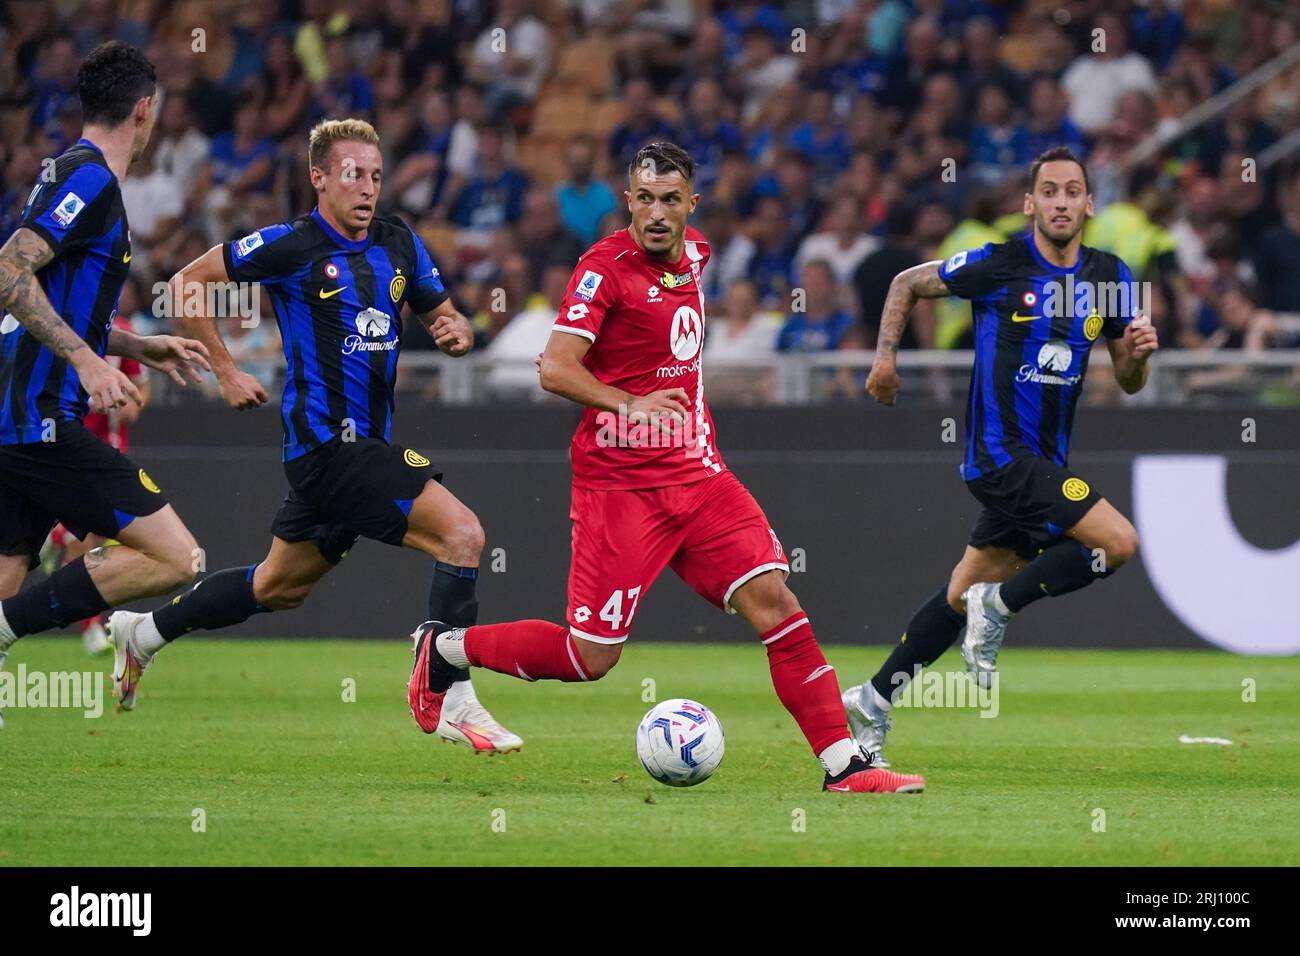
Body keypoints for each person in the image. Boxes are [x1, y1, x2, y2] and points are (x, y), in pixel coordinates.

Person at [408, 142, 925, 794]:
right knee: (588, 657)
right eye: (644, 198)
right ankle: (446, 649)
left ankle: (844, 767)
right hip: (619, 488)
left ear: (691, 205)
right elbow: (555, 366)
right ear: (629, 199)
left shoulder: (699, 255)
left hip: (700, 476)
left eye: (670, 200)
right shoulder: (604, 269)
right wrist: (630, 403)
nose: (656, 212)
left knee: (777, 604)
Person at [106, 119, 521, 754]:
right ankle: (449, 692)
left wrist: (453, 330)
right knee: (463, 534)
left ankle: (145, 633)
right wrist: (225, 368)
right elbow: (188, 283)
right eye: (354, 174)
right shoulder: (291, 246)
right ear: (319, 177)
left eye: (377, 176)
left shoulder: (399, 242)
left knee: (278, 587)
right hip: (329, 449)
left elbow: (444, 311)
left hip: (349, 454)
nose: (368, 187)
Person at [840, 147, 1159, 765]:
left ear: (1089, 204)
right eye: (1049, 191)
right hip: (1000, 457)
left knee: (959, 594)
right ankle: (1003, 604)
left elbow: (1127, 381)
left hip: (1045, 463)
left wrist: (1140, 356)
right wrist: (884, 359)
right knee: (1116, 542)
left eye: (1073, 191)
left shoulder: (1112, 278)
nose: (1061, 201)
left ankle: (874, 699)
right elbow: (908, 283)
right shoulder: (1000, 263)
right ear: (1029, 203)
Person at [0, 42, 211, 727]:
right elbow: (9, 271)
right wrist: (88, 363)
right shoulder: (89, 182)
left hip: (15, 414)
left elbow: (59, 298)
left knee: (8, 571)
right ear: (145, 110)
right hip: (39, 417)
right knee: (177, 556)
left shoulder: (65, 171)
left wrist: (130, 345)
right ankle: (107, 630)